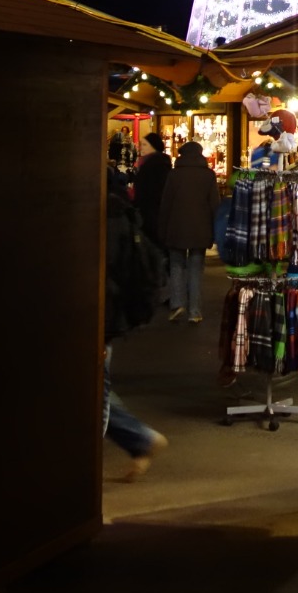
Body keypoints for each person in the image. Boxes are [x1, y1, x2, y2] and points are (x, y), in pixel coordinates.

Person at [103, 178, 168, 478]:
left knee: (93, 391)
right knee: (94, 388)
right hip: (109, 317)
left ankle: (139, 439)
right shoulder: (119, 214)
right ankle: (140, 439)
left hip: (101, 318)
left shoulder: (104, 220)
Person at [156, 139, 219, 323]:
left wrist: (162, 229)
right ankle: (195, 311)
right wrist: (215, 230)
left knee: (176, 265)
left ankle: (177, 303)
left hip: (176, 228)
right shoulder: (208, 175)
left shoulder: (174, 174)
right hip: (200, 229)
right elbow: (214, 204)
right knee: (196, 268)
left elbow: (166, 204)